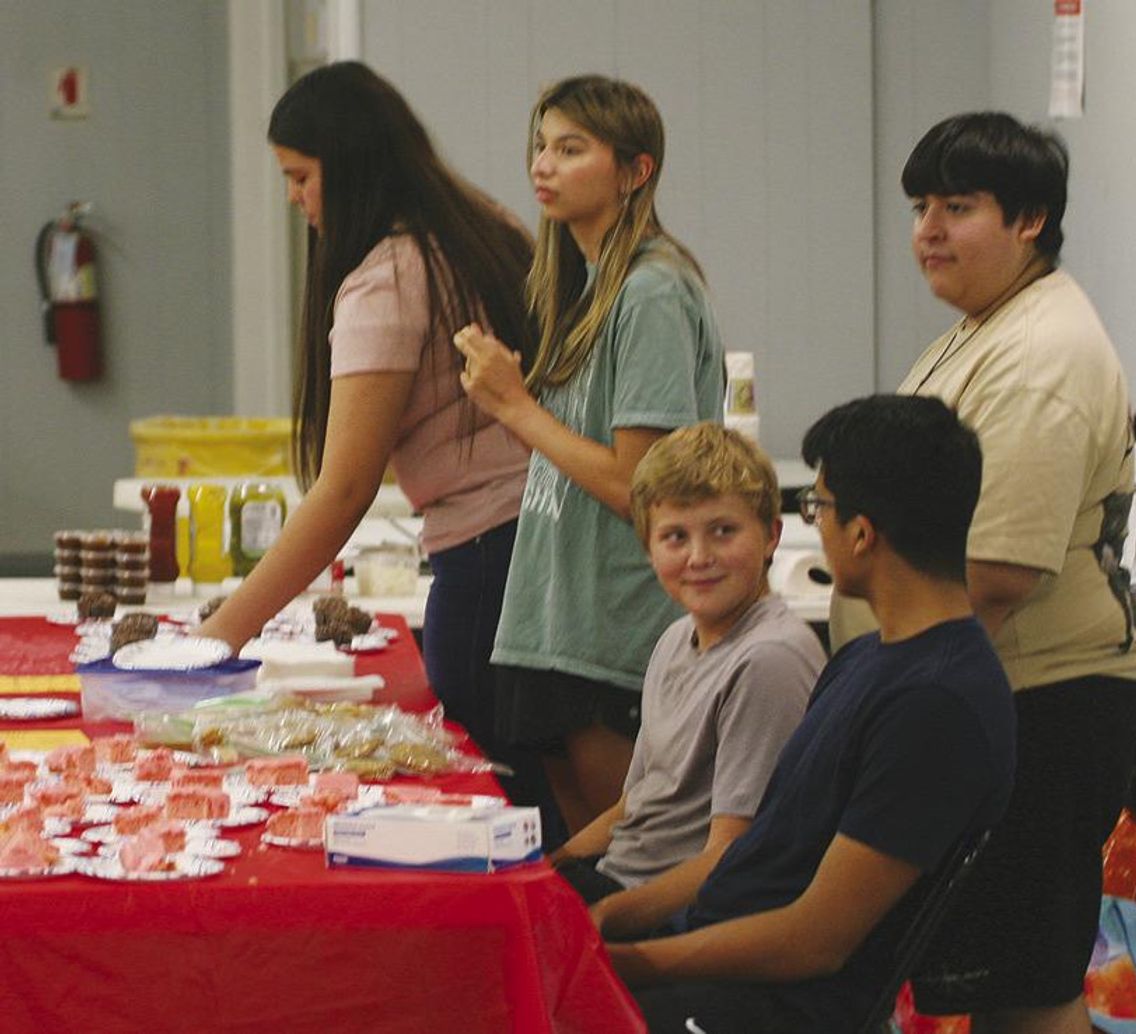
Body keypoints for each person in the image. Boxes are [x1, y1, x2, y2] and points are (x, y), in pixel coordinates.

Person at [833, 112, 1136, 1034]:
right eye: (922, 205)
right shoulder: (986, 325)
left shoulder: (1041, 354)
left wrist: (891, 712)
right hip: (991, 690)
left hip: (1039, 701)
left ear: (1029, 220)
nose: (928, 229)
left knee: (1024, 990)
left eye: (957, 206)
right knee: (990, 983)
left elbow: (994, 573)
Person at [607, 394, 1017, 1034]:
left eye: (818, 506)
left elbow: (815, 941)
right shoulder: (865, 660)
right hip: (720, 957)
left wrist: (630, 961)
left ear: (861, 531)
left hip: (777, 1005)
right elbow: (768, 858)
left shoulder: (937, 706)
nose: (815, 522)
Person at [197, 62, 536, 753]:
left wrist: (215, 638)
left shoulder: (387, 280)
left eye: (299, 177)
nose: (293, 199)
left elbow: (345, 487)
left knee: (502, 788)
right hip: (538, 549)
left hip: (486, 568)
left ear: (351, 170)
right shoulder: (488, 230)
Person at [453, 75, 725, 833]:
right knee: (587, 869)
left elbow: (646, 484)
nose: (544, 165)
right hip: (558, 621)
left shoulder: (651, 293)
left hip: (616, 628)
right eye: (540, 147)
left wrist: (513, 404)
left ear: (635, 171)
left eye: (571, 149)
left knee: (626, 869)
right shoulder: (586, 285)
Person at [551, 422, 825, 941]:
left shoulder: (767, 660)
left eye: (723, 531)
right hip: (620, 878)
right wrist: (547, 868)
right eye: (676, 537)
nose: (699, 557)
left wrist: (604, 920)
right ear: (649, 549)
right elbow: (636, 803)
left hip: (671, 913)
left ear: (771, 535)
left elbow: (732, 856)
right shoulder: (676, 639)